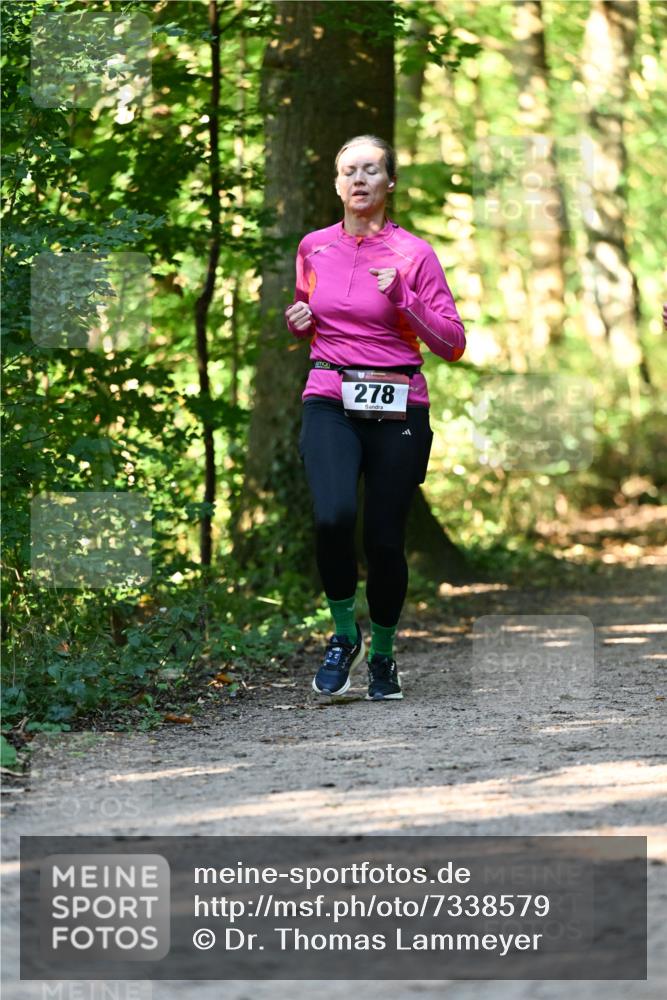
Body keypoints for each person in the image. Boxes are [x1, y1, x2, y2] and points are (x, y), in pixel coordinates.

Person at [284, 135, 466, 701]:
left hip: (398, 405)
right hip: (330, 396)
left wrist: (406, 299)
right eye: (348, 171)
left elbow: (453, 343)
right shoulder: (313, 247)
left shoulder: (415, 254)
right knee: (334, 516)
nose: (358, 179)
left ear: (390, 183)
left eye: (370, 170)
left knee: (385, 541)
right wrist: (299, 323)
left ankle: (383, 653)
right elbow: (312, 319)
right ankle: (344, 636)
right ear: (337, 185)